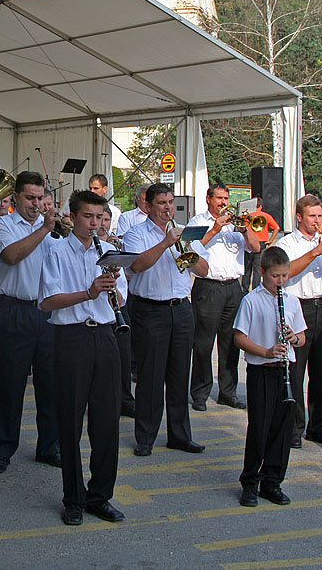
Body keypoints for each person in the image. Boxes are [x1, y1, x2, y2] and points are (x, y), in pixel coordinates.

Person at [39, 190, 127, 526]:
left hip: (106, 335)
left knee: (106, 422)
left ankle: (100, 496)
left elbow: (121, 299)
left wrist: (112, 288)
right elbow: (47, 302)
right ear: (73, 217)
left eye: (100, 218)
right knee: (70, 420)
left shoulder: (111, 253)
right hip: (71, 337)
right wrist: (88, 293)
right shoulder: (57, 251)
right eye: (88, 217)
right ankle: (73, 498)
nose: (95, 224)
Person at [123, 184, 209, 457]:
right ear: (148, 206)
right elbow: (136, 265)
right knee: (150, 376)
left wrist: (188, 251)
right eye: (161, 203)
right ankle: (146, 437)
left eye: (170, 202)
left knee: (179, 373)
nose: (167, 208)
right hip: (150, 310)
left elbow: (205, 271)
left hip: (182, 309)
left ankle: (180, 435)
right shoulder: (136, 233)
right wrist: (165, 243)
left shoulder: (185, 232)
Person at [0, 170, 60, 473]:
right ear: (15, 197)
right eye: (29, 197)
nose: (35, 203)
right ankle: (2, 449)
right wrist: (44, 229)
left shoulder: (52, 229)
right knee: (10, 384)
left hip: (46, 312)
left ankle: (49, 447)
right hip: (13, 309)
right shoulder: (2, 225)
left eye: (39, 197)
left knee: (51, 385)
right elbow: (12, 256)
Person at [234, 246, 306, 507]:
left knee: (282, 428)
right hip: (261, 371)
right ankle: (250, 483)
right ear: (262, 272)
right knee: (260, 428)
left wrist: (293, 337)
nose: (280, 281)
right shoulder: (251, 300)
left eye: (285, 276)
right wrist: (265, 351)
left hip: (286, 369)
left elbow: (302, 337)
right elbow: (239, 338)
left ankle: (272, 482)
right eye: (276, 276)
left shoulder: (292, 300)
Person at [188, 184, 260, 412]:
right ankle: (200, 392)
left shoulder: (236, 224)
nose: (223, 202)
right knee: (203, 342)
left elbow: (256, 248)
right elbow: (190, 249)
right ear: (208, 199)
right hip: (208, 287)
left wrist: (245, 230)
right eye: (219, 198)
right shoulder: (197, 221)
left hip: (233, 288)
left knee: (231, 343)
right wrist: (215, 229)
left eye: (226, 198)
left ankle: (228, 392)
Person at [279, 194, 322, 449]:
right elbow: (286, 272)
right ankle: (294, 428)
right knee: (295, 371)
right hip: (298, 308)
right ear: (299, 217)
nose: (317, 221)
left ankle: (318, 426)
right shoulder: (287, 243)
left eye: (320, 216)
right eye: (312, 216)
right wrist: (315, 252)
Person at [99, 203, 135, 418]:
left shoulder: (116, 248)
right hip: (96, 314)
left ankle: (124, 398)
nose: (101, 224)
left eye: (105, 220)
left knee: (123, 358)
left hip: (118, 309)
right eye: (98, 219)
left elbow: (124, 286)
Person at [242, 196, 280, 293]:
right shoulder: (265, 216)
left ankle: (244, 291)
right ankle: (255, 291)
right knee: (257, 269)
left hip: (248, 243)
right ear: (261, 206)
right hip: (262, 243)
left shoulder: (246, 215)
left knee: (247, 269)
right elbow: (276, 227)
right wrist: (270, 240)